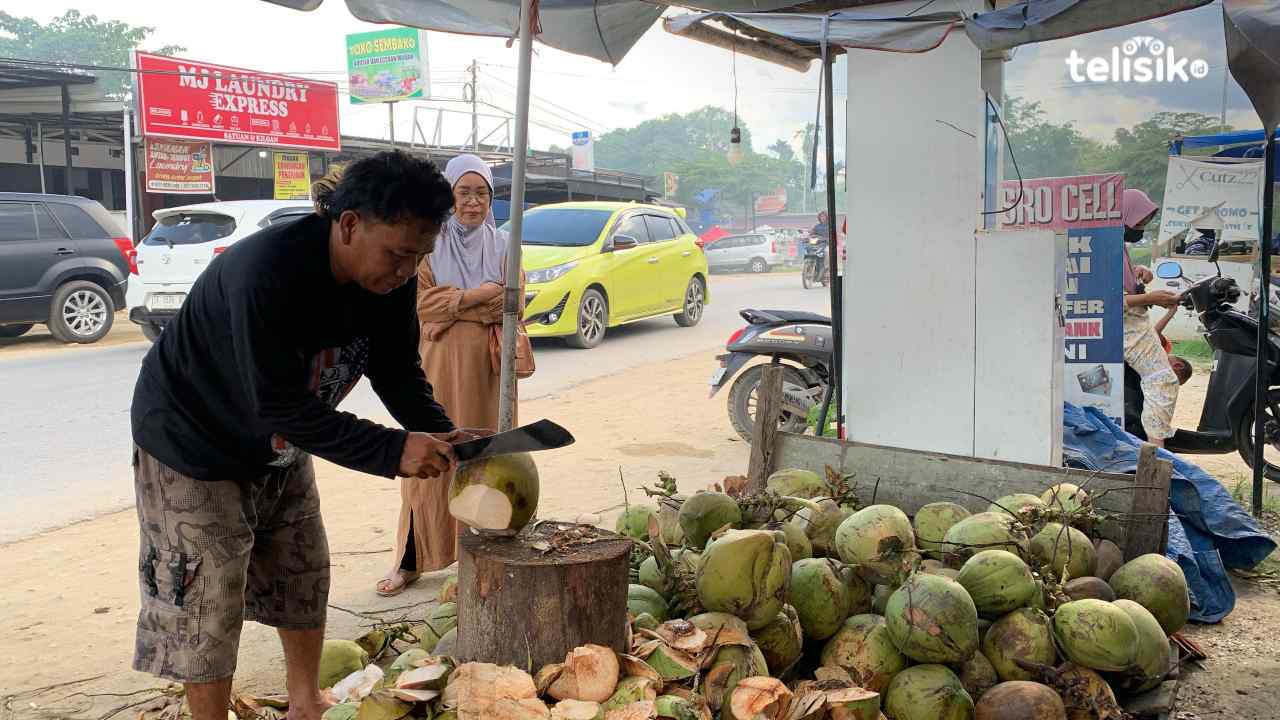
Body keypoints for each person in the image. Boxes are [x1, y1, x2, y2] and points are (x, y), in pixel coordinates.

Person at [129, 151, 469, 720]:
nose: (407, 270)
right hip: (193, 442)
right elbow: (277, 402)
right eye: (397, 254)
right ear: (350, 224)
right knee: (206, 601)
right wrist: (392, 451)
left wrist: (440, 430)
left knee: (302, 568)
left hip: (283, 440)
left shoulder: (389, 284)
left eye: (419, 256)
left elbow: (396, 369)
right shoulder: (266, 272)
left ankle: (306, 700)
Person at [378, 154, 523, 595]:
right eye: (464, 193)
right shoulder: (429, 243)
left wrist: (456, 303)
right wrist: (480, 296)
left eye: (482, 193)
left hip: (490, 369)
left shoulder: (504, 245)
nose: (473, 203)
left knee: (488, 457)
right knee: (431, 455)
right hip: (438, 365)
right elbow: (421, 304)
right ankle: (411, 559)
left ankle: (490, 556)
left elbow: (514, 301)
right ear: (449, 195)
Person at [1121, 188, 1182, 446]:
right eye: (1139, 222)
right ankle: (1155, 452)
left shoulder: (1117, 245)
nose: (1141, 228)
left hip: (1136, 322)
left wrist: (1138, 271)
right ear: (1123, 215)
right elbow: (1105, 301)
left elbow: (1120, 281)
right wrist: (1150, 298)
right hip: (1124, 326)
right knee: (1163, 381)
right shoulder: (1102, 247)